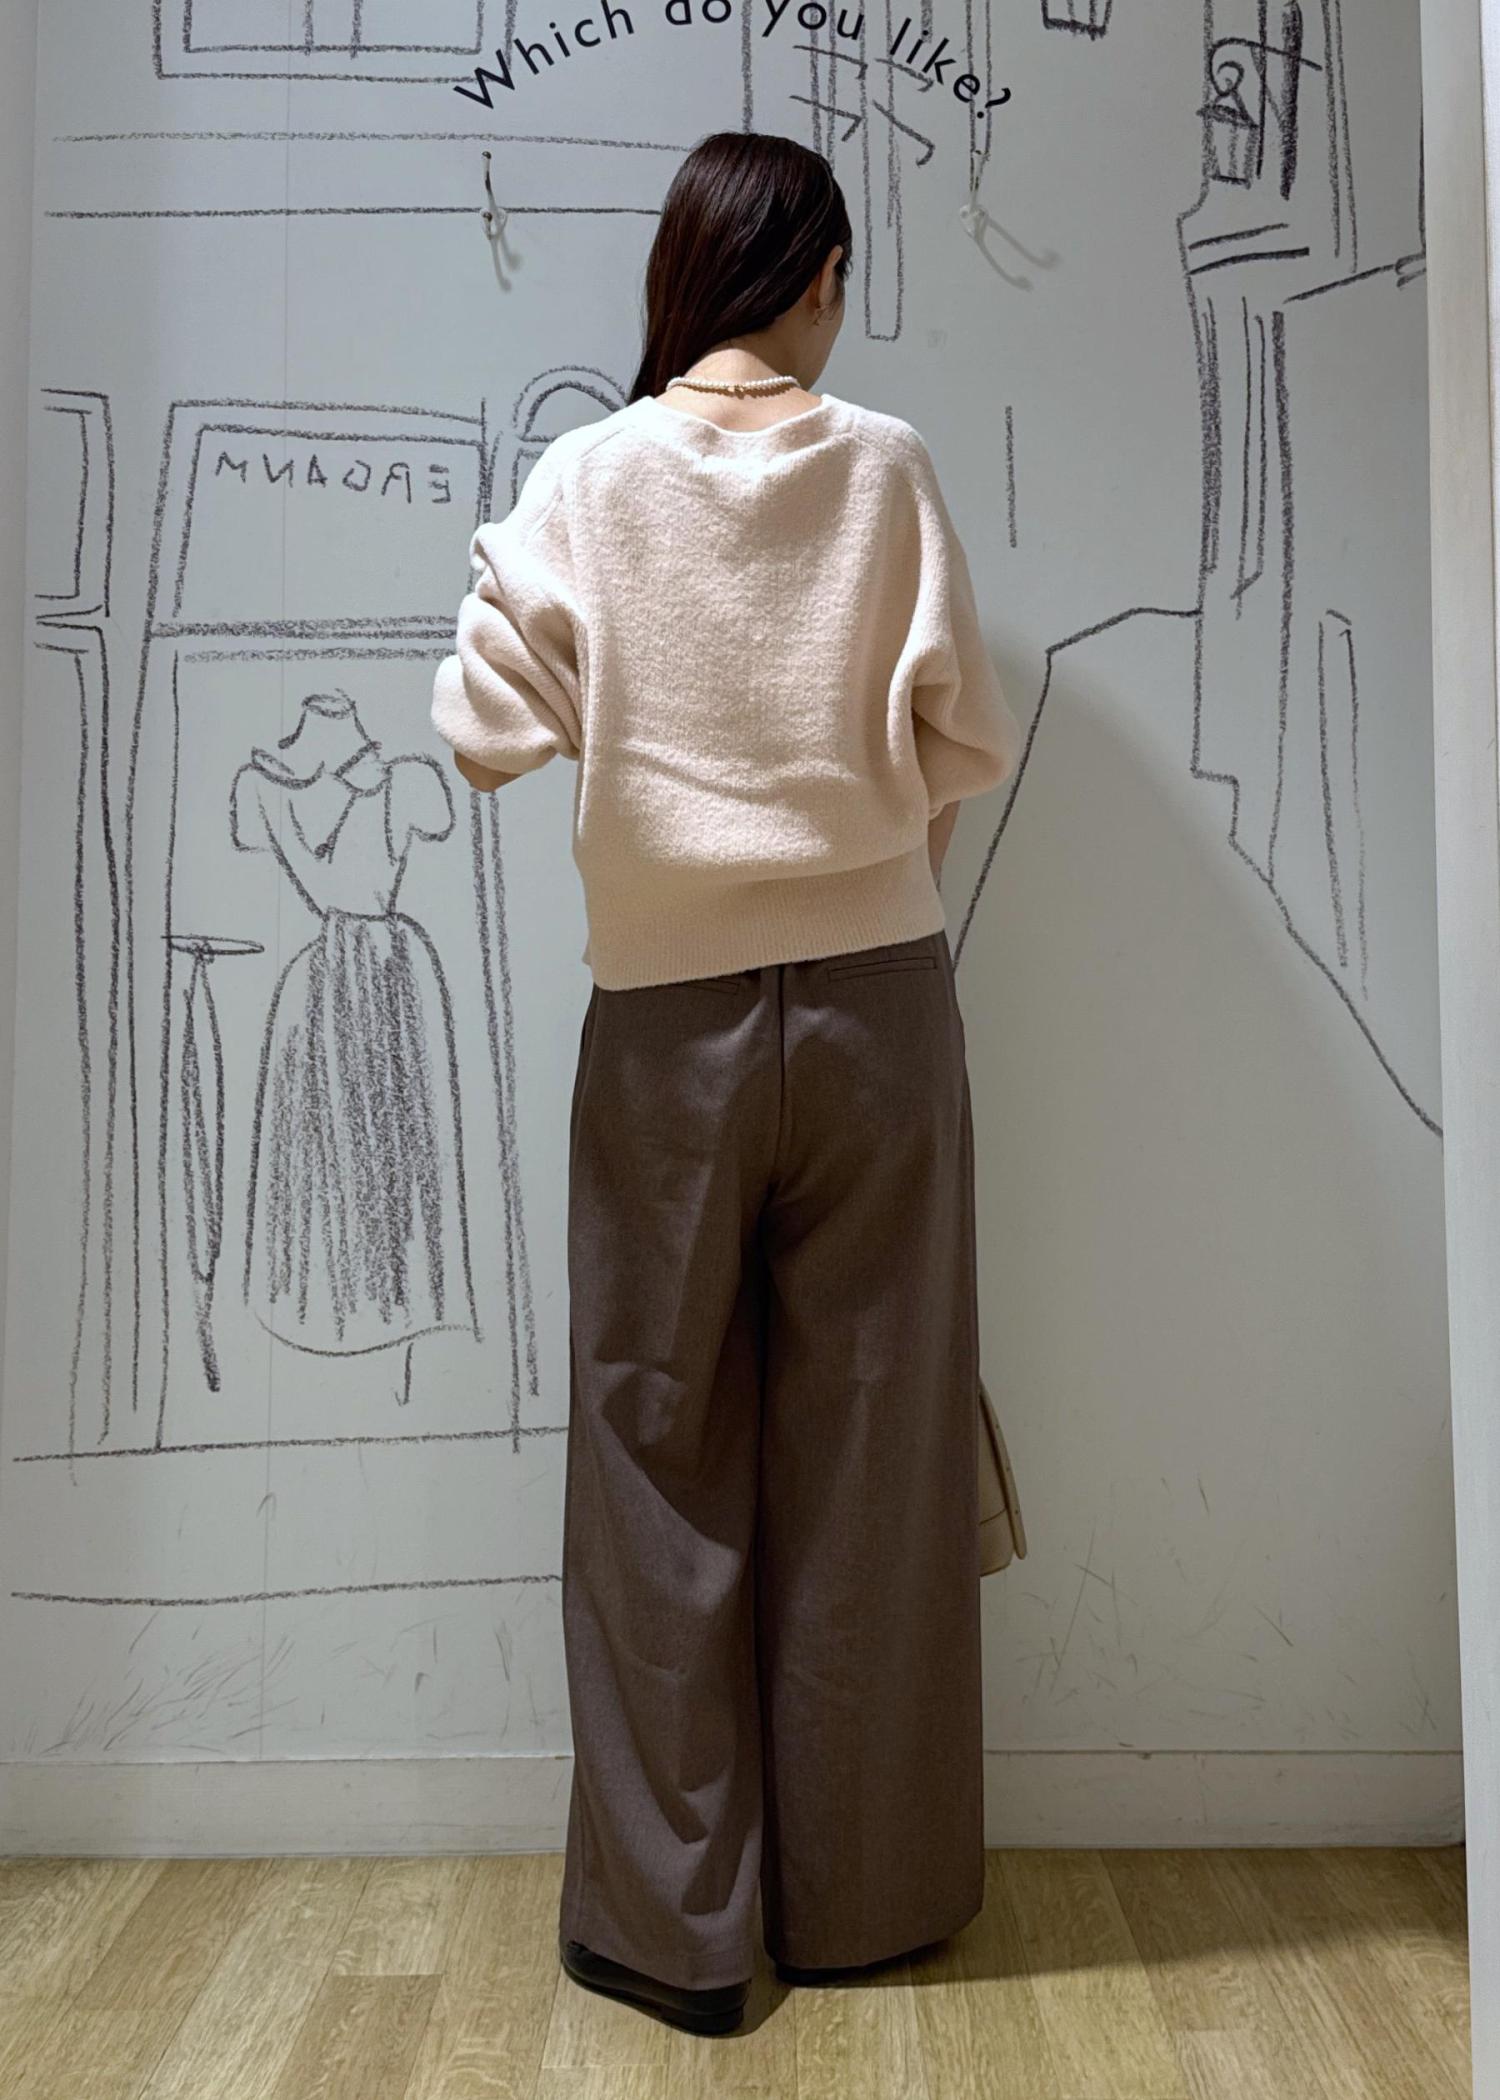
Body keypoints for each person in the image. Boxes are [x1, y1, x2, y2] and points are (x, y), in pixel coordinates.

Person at [431, 130, 1022, 2037]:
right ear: (823, 278)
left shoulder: (589, 477)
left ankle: (673, 1934)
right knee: (878, 1452)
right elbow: (961, 738)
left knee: (653, 1450)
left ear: (684, 277)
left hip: (664, 1030)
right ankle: (868, 1904)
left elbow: (479, 728)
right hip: (881, 1016)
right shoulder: (888, 466)